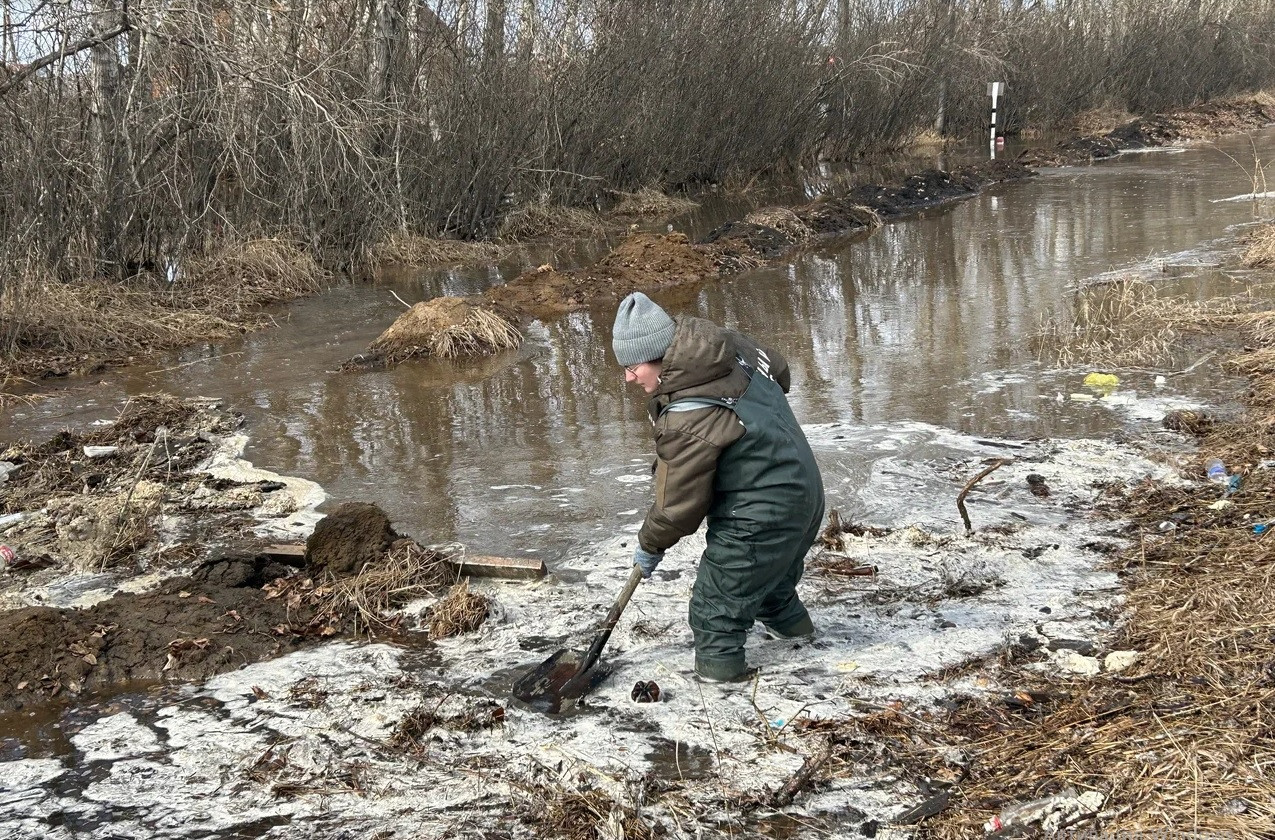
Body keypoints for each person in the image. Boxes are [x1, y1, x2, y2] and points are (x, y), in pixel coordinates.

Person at [612, 291, 825, 683]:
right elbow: (780, 370)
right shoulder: (729, 347)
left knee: (716, 612)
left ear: (659, 354)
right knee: (772, 588)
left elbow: (678, 508)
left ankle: (721, 691)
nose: (627, 377)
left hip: (761, 516)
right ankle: (809, 644)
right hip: (804, 487)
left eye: (632, 366)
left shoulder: (687, 417)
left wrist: (649, 544)